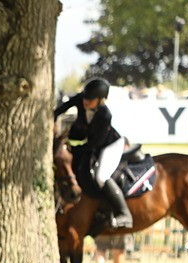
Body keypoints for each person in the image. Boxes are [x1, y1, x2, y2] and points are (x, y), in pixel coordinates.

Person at [55, 77, 132, 228]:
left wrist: (74, 150)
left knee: (101, 176)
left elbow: (94, 145)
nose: (85, 101)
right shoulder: (82, 99)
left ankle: (124, 214)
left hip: (110, 145)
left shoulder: (105, 115)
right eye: (85, 97)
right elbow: (62, 108)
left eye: (90, 99)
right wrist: (53, 117)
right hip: (92, 141)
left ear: (100, 100)